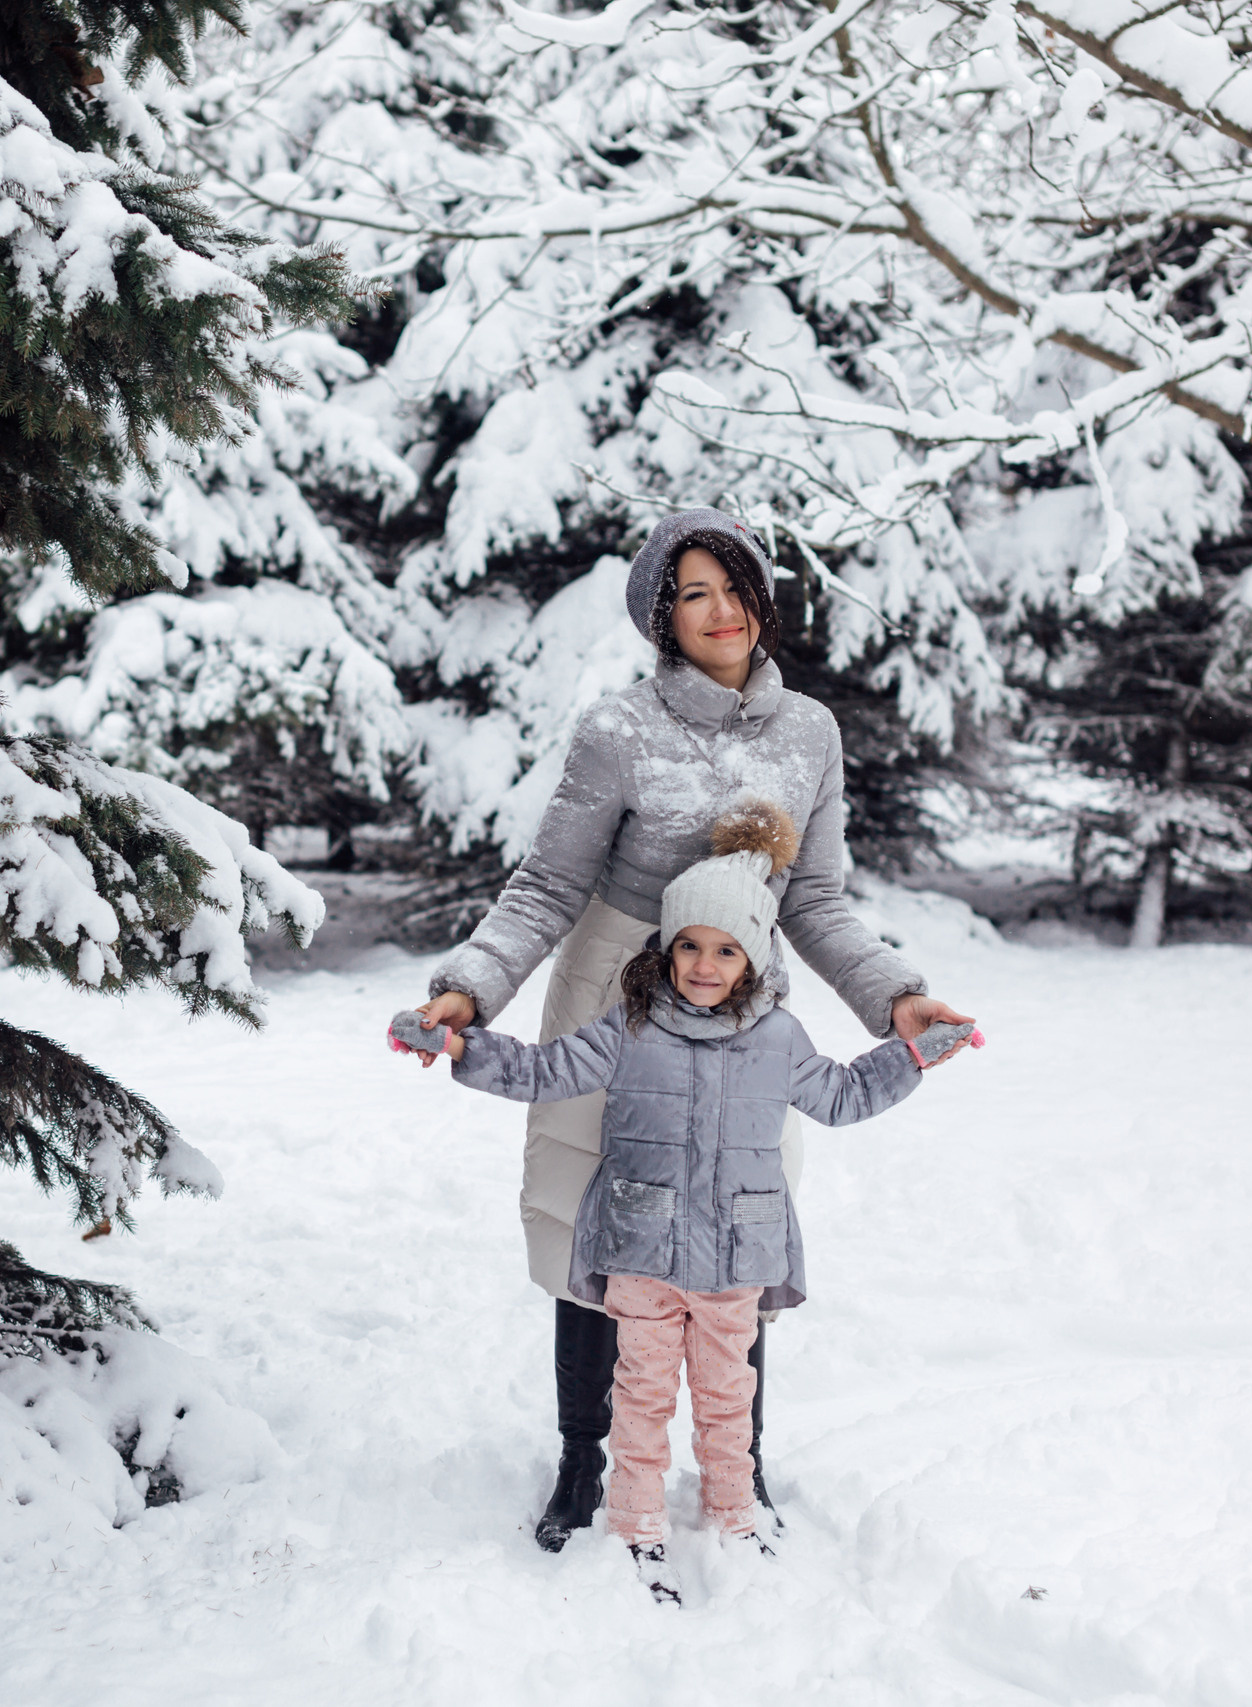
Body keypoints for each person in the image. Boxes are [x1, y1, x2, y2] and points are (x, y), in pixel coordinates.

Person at [408, 506, 973, 1552]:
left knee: (735, 1215)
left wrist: (895, 996)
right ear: (663, 619)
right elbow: (546, 886)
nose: (718, 611)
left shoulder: (809, 731)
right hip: (616, 983)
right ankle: (586, 1459)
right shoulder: (617, 730)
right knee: (596, 1220)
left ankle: (734, 1462)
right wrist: (469, 990)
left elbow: (818, 902)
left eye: (732, 587)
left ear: (761, 596)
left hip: (745, 989)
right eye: (691, 594)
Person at [399, 805, 951, 1600]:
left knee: (731, 1398)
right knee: (642, 1395)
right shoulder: (628, 1026)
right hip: (643, 1247)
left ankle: (734, 1510)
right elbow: (540, 1072)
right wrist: (457, 1045)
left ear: (753, 958)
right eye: (689, 943)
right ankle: (635, 1522)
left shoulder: (779, 1039)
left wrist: (912, 1054)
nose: (703, 963)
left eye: (726, 949)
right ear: (664, 947)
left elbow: (844, 1093)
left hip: (736, 1254)